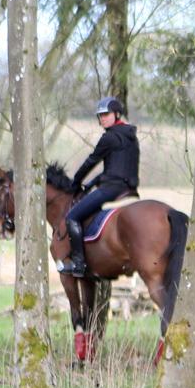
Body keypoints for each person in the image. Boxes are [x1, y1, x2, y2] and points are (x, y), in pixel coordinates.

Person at [57, 96, 140, 277]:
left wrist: (76, 182)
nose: (102, 118)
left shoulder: (109, 138)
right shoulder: (131, 137)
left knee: (72, 217)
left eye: (106, 114)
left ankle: (78, 263)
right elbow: (115, 170)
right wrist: (91, 184)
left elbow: (91, 162)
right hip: (129, 191)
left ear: (116, 114)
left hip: (111, 191)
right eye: (100, 116)